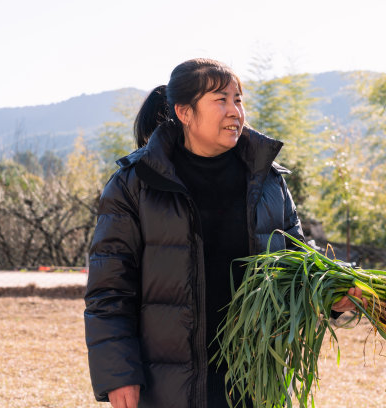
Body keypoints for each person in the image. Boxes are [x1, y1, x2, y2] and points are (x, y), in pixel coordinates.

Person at [84, 58, 365, 408]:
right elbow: (109, 290)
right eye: (221, 100)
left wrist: (333, 297)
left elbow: (299, 266)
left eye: (239, 99)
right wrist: (119, 373)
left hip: (256, 378)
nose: (235, 111)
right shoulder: (136, 183)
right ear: (185, 112)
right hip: (169, 384)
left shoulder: (267, 182)